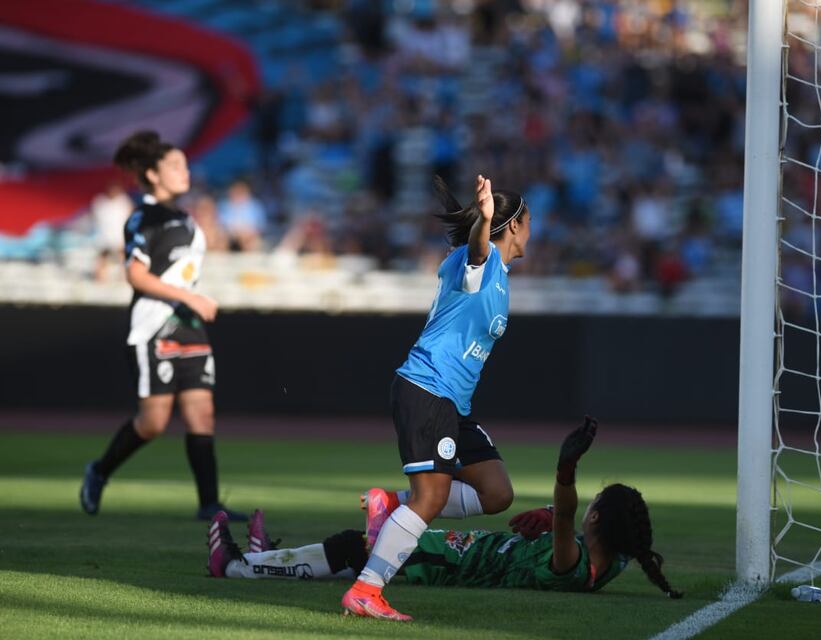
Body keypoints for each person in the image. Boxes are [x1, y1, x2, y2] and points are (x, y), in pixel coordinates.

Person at [205, 418, 683, 608]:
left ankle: (238, 567)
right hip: (466, 552)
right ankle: (272, 559)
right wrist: (547, 507)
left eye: (593, 506)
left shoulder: (572, 564)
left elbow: (564, 521)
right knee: (357, 546)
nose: (587, 510)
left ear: (594, 519)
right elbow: (575, 527)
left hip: (453, 563)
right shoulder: (613, 559)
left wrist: (566, 471)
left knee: (358, 546)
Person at [339, 174, 532, 620]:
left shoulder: (496, 275)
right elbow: (479, 252)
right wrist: (483, 222)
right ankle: (367, 589)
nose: (533, 232)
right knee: (432, 496)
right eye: (530, 222)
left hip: (453, 404)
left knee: (497, 491)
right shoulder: (475, 259)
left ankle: (391, 506)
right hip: (428, 388)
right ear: (516, 226)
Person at [79, 130, 246, 521]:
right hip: (153, 328)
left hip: (189, 327)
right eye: (174, 166)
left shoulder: (188, 220)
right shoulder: (143, 217)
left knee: (201, 414)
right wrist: (189, 298)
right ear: (152, 174)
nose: (184, 172)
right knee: (153, 423)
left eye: (185, 165)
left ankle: (209, 505)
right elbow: (136, 275)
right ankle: (99, 470)